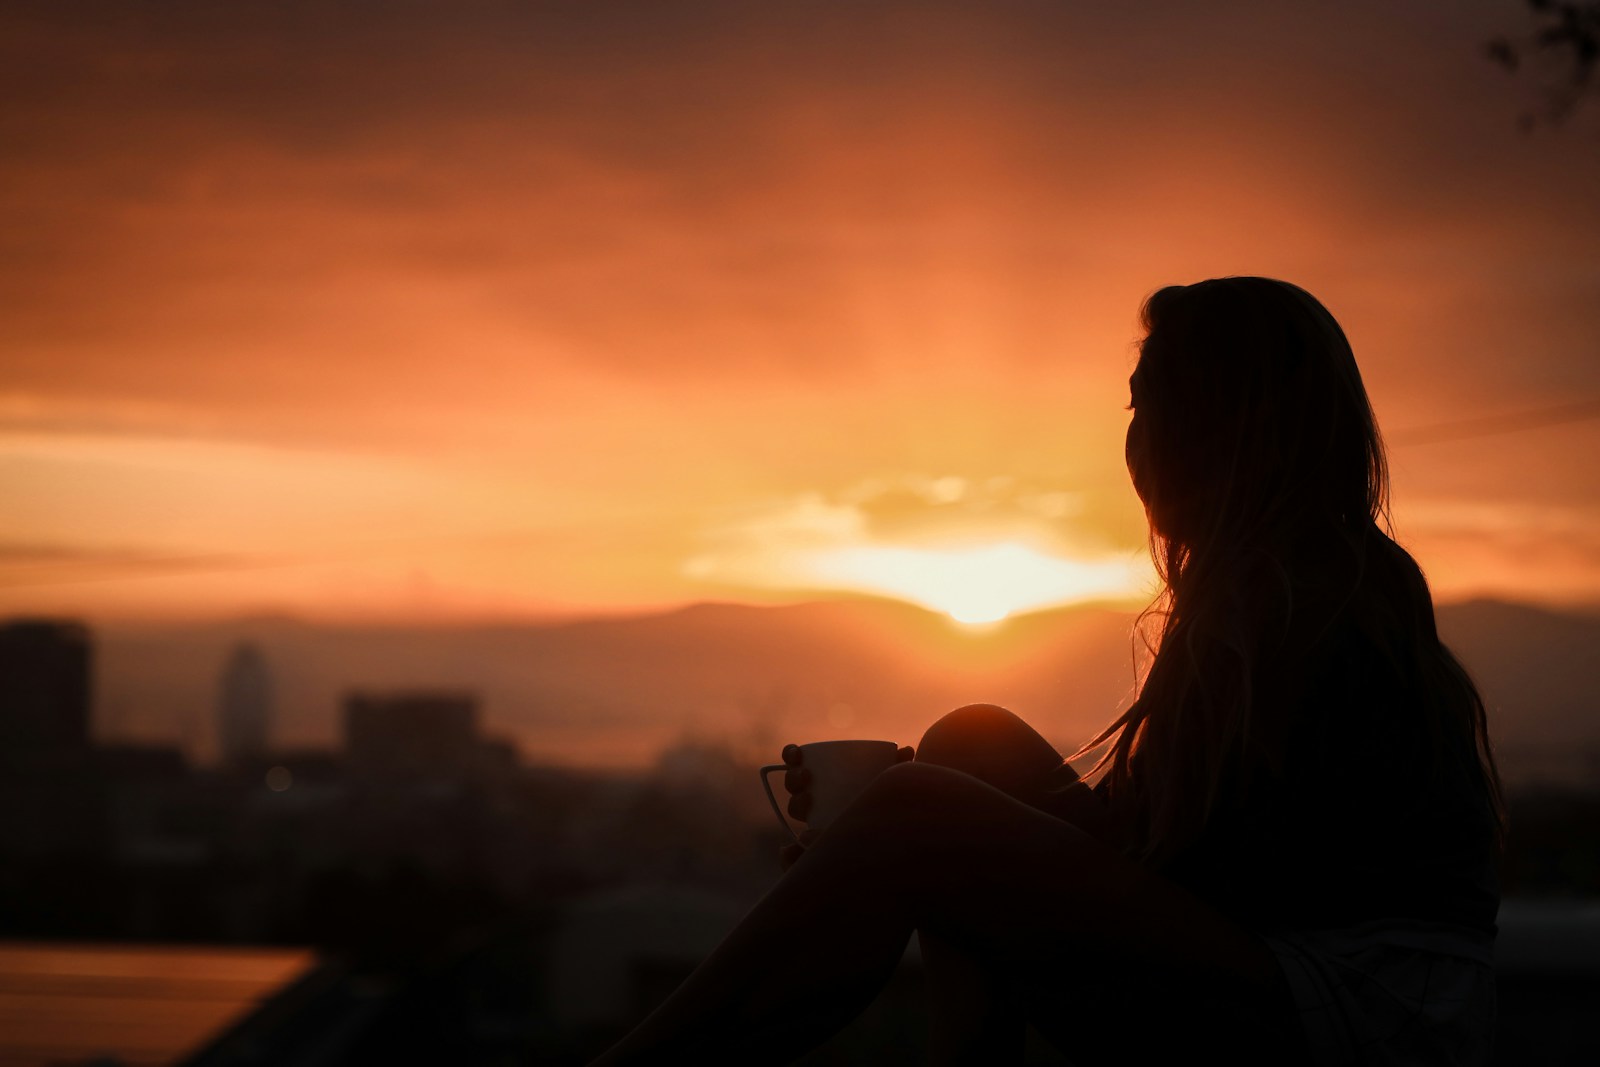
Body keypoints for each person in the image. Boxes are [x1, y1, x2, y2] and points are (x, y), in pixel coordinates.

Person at [592, 277, 1503, 1066]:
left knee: (924, 806)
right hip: (1315, 985)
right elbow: (1169, 861)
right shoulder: (1312, 573)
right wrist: (925, 822)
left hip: (1355, 1012)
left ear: (1231, 426)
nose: (1136, 441)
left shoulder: (1287, 591)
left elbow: (1201, 874)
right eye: (1134, 408)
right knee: (964, 747)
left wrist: (901, 831)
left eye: (1156, 404)